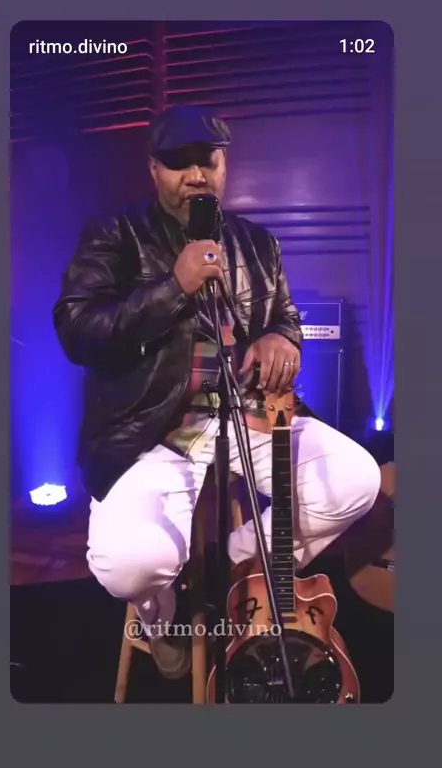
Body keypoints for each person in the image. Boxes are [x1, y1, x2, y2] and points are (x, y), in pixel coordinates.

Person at [53, 104, 381, 680]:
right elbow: (79, 331)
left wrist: (282, 338)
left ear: (224, 165)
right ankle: (160, 617)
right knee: (129, 568)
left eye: (206, 161)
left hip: (249, 416)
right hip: (152, 430)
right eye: (178, 163)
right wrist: (173, 287)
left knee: (358, 481)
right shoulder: (115, 235)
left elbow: (284, 315)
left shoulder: (257, 243)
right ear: (154, 170)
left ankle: (224, 575)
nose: (195, 176)